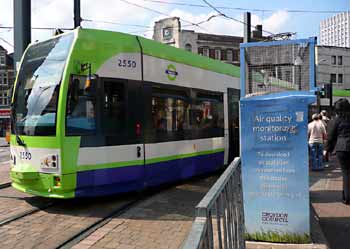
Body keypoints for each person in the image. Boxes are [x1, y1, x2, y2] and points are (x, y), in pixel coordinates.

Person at [326, 98, 350, 204]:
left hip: (343, 148)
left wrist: (328, 150)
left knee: (346, 173)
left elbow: (331, 136)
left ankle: (347, 198)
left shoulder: (336, 120)